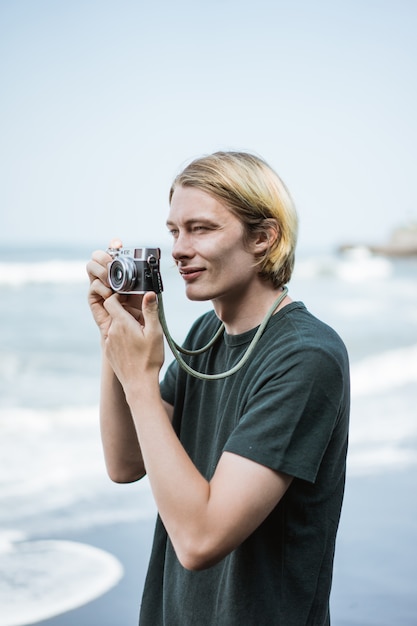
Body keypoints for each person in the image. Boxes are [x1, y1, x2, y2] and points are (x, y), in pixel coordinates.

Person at [86, 151, 350, 625]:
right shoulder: (202, 338)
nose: (179, 249)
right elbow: (124, 464)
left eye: (201, 228)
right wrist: (116, 336)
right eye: (174, 231)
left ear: (263, 239)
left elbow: (200, 540)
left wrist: (142, 381)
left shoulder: (306, 356)